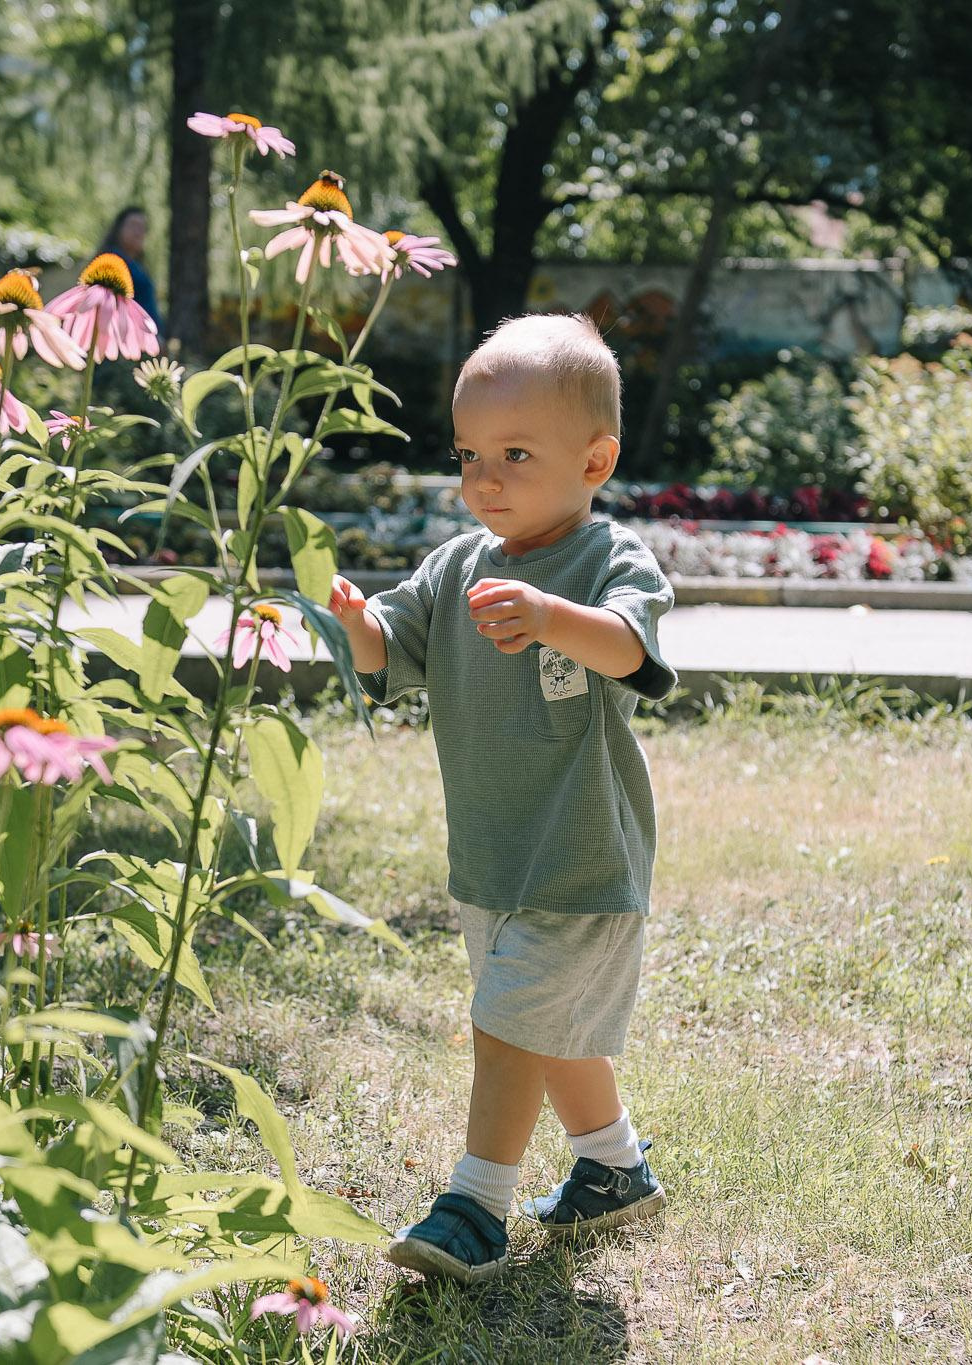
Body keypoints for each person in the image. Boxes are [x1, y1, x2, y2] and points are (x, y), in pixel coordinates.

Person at [328, 313, 676, 1282]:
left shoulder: (609, 561)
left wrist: (550, 617)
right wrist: (354, 624)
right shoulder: (454, 566)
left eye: (514, 455)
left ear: (594, 459)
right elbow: (389, 656)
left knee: (508, 1021)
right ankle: (614, 1171)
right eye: (469, 454)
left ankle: (474, 1205)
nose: (484, 480)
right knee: (545, 1029)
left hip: (578, 857)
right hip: (490, 857)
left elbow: (629, 647)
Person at [96, 205, 161, 334]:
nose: (138, 232)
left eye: (143, 228)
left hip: (143, 334)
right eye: (133, 225)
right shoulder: (111, 260)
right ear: (119, 229)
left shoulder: (139, 265)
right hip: (122, 333)